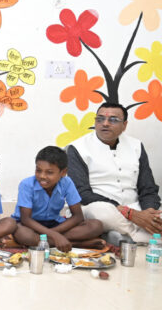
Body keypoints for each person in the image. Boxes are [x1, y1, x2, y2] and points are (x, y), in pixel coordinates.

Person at [67, 102, 161, 244]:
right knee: (102, 212)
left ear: (124, 125)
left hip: (135, 206)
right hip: (100, 207)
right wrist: (129, 213)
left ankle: (121, 236)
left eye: (113, 120)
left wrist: (149, 213)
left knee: (157, 213)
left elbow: (148, 187)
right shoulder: (78, 148)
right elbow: (82, 193)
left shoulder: (136, 146)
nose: (105, 123)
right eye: (100, 119)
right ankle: (138, 237)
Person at [9, 146, 104, 251]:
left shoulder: (67, 183)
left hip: (53, 224)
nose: (42, 176)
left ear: (63, 172)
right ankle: (77, 243)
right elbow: (26, 219)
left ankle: (46, 242)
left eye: (49, 172)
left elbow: (78, 216)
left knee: (96, 226)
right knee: (23, 235)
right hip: (30, 225)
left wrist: (53, 233)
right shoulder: (27, 184)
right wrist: (55, 235)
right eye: (38, 170)